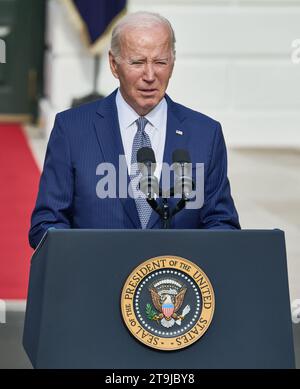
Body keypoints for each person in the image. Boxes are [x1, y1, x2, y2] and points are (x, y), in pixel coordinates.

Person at [29, 11, 240, 249]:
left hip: (172, 283)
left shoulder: (205, 134)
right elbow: (46, 225)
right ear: (113, 64)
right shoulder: (72, 130)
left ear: (172, 63)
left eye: (160, 62)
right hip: (97, 280)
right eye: (137, 62)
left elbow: (222, 225)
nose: (150, 75)